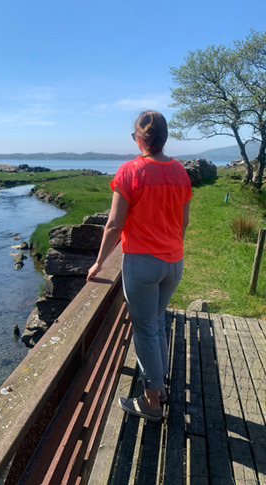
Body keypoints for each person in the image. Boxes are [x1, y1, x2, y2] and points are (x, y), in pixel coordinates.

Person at [86, 110, 192, 422]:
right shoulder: (180, 173)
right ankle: (160, 388)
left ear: (140, 140)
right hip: (174, 262)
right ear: (164, 139)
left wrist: (99, 263)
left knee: (145, 330)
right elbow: (183, 224)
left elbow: (113, 225)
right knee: (157, 323)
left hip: (143, 263)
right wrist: (170, 247)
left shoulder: (131, 172)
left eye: (135, 136)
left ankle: (151, 402)